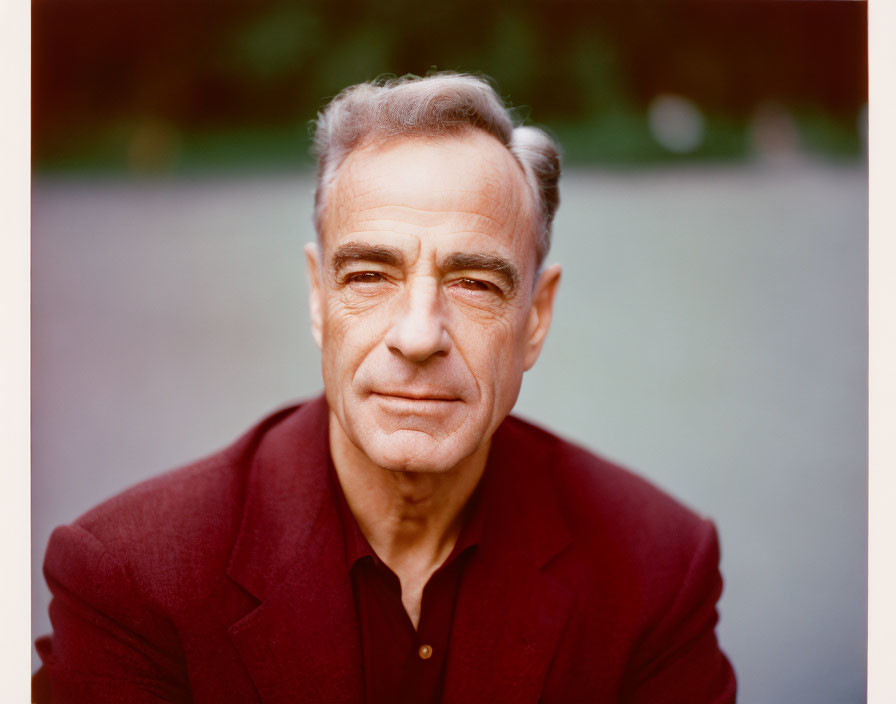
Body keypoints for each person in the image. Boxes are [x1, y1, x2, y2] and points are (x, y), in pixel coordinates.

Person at [35, 72, 736, 703]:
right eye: (369, 275)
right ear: (318, 298)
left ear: (536, 319)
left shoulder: (656, 569)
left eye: (475, 282)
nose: (419, 335)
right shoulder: (132, 579)